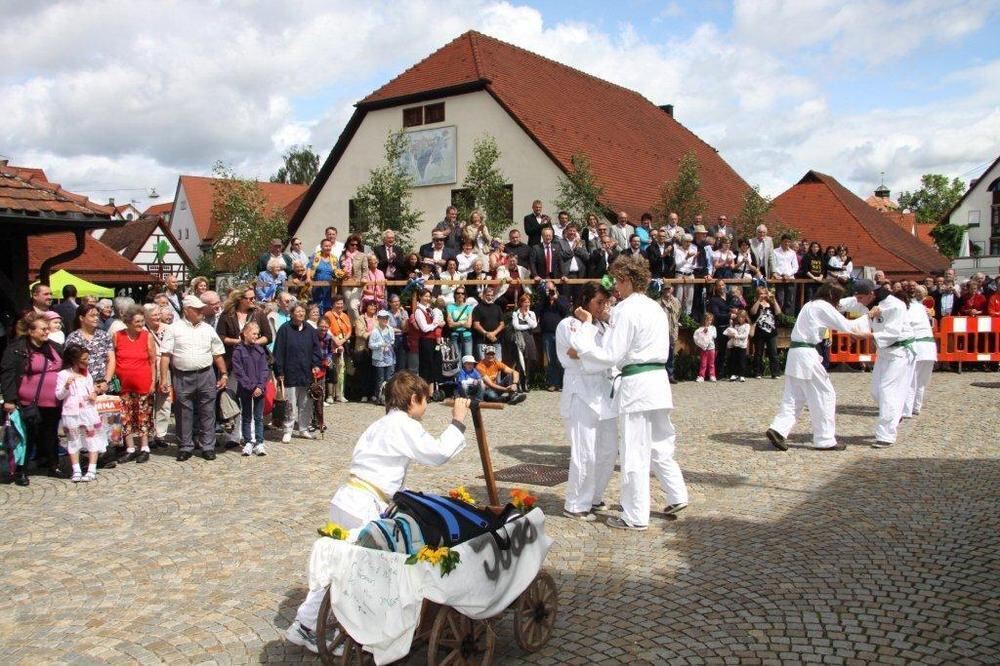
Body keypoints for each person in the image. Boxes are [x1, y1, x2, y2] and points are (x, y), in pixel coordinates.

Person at [285, 376, 471, 653]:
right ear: (412, 400)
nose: (427, 406)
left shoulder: (380, 424)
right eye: (425, 400)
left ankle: (307, 623)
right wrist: (458, 420)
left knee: (339, 565)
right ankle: (328, 625)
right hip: (363, 505)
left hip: (348, 497)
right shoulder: (404, 425)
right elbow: (438, 454)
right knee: (358, 568)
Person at [570, 254, 688, 530]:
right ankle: (677, 493)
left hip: (637, 383)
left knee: (635, 449)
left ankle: (634, 516)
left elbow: (611, 353)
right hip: (659, 381)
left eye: (616, 283)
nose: (614, 290)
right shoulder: (655, 307)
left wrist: (586, 338)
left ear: (625, 280)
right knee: (660, 441)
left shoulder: (626, 309)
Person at [765, 281, 872, 452]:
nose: (837, 302)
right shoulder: (823, 307)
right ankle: (825, 439)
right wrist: (869, 317)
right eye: (836, 298)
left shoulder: (811, 305)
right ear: (831, 296)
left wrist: (856, 300)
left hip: (796, 354)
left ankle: (778, 429)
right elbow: (847, 326)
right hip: (807, 355)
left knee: (794, 397)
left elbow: (840, 306)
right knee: (825, 394)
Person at [557, 281, 617, 520]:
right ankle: (576, 503)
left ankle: (594, 496)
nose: (603, 307)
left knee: (608, 450)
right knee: (584, 452)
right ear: (585, 301)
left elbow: (608, 355)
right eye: (598, 302)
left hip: (604, 392)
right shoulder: (568, 324)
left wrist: (596, 354)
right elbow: (576, 352)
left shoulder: (605, 326)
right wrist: (589, 325)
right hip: (580, 392)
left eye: (606, 302)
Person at [159, 295, 227, 462]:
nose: (201, 312)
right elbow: (165, 355)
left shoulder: (208, 329)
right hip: (182, 375)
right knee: (183, 412)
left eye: (201, 309)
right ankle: (185, 446)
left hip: (206, 374)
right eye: (197, 310)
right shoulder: (173, 329)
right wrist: (163, 379)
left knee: (208, 411)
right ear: (186, 311)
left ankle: (208, 446)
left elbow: (217, 353)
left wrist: (224, 373)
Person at [1, 313, 64, 483]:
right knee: (27, 436)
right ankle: (21, 470)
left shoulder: (54, 347)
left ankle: (53, 466)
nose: (46, 332)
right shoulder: (16, 349)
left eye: (47, 328)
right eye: (43, 329)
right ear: (31, 331)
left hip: (52, 401)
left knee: (50, 434)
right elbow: (7, 374)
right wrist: (9, 399)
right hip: (28, 402)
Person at [867, 282, 916, 449]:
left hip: (900, 351)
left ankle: (886, 435)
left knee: (888, 391)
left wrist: (867, 335)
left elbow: (892, 333)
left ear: (871, 293)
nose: (859, 301)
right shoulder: (873, 304)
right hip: (884, 353)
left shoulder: (896, 305)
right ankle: (896, 415)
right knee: (875, 391)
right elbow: (851, 303)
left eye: (861, 297)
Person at [55, 345, 107, 483]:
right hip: (71, 413)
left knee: (91, 439)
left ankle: (91, 469)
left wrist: (93, 394)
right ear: (74, 360)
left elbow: (91, 391)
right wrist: (66, 386)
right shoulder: (63, 374)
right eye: (84, 359)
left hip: (87, 411)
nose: (87, 361)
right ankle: (76, 469)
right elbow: (59, 396)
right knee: (73, 440)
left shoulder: (87, 374)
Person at [113, 304, 156, 464]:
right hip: (123, 384)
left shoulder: (147, 336)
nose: (140, 324)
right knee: (125, 416)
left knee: (143, 415)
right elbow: (114, 358)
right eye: (137, 321)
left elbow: (152, 361)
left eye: (142, 321)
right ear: (128, 322)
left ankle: (144, 447)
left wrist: (153, 381)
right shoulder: (118, 336)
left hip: (143, 382)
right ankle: (130, 448)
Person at [274, 303, 322, 442]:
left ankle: (303, 428)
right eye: (297, 311)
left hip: (306, 372)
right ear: (292, 313)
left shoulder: (310, 330)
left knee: (306, 402)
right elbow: (278, 351)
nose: (300, 314)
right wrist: (279, 371)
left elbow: (316, 349)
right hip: (290, 372)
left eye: (302, 311)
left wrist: (316, 364)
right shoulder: (284, 329)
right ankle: (288, 429)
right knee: (290, 403)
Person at [65, 303, 116, 405]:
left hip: (104, 386)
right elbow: (70, 364)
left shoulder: (104, 335)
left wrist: (106, 381)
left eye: (97, 315)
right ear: (81, 318)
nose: (96, 318)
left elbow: (111, 359)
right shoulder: (73, 337)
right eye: (92, 316)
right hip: (82, 387)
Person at [232, 321, 270, 456]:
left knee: (258, 417)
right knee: (246, 416)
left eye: (257, 334)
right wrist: (251, 387)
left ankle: (259, 442)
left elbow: (264, 370)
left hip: (259, 389)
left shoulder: (260, 351)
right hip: (246, 389)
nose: (256, 336)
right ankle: (248, 441)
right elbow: (239, 372)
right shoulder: (238, 351)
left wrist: (260, 386)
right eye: (254, 333)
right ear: (245, 333)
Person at [903, 283, 937, 419]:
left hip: (917, 345)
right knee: (922, 381)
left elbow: (908, 325)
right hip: (930, 347)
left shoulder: (909, 308)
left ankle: (907, 409)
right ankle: (916, 406)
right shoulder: (924, 308)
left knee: (912, 379)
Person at [144, 304, 173, 449]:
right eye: (153, 315)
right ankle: (149, 434)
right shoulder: (142, 330)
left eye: (157, 314)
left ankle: (160, 434)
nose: (156, 317)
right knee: (148, 401)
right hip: (148, 367)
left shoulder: (167, 328)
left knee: (164, 401)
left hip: (165, 367)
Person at [536, 285, 569, 391]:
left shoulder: (562, 299)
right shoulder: (544, 301)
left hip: (560, 334)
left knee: (561, 359)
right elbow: (537, 311)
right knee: (551, 359)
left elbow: (565, 311)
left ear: (556, 289)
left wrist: (556, 298)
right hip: (547, 333)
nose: (549, 292)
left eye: (551, 289)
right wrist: (543, 297)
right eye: (548, 290)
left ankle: (563, 383)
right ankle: (553, 383)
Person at [412, 289, 444, 391]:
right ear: (420, 297)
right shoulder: (418, 311)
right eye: (425, 296)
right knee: (425, 367)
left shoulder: (429, 309)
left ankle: (431, 393)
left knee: (432, 366)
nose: (427, 298)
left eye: (429, 296)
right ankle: (424, 392)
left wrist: (440, 323)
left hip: (433, 340)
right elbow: (424, 328)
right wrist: (435, 324)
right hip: (425, 341)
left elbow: (438, 321)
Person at [323, 295, 351, 403]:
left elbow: (349, 330)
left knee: (341, 370)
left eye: (341, 303)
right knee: (331, 369)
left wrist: (342, 341)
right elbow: (327, 329)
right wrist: (336, 341)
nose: (340, 306)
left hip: (342, 344)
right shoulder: (328, 315)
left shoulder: (345, 316)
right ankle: (330, 395)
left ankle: (340, 394)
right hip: (331, 344)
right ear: (333, 304)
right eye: (337, 303)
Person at [750, 286, 782, 379]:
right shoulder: (755, 303)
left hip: (771, 332)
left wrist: (774, 299)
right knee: (758, 353)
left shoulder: (771, 303)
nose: (763, 295)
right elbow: (752, 312)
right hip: (759, 332)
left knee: (773, 353)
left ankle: (775, 373)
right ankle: (758, 372)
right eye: (761, 293)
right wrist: (758, 301)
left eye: (764, 293)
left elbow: (778, 313)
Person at [510, 293, 538, 392]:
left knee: (530, 359)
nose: (527, 304)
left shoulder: (532, 314)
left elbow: (534, 325)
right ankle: (519, 384)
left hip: (529, 338)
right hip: (519, 338)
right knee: (520, 361)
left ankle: (527, 382)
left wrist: (526, 317)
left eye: (528, 302)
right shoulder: (515, 313)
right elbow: (516, 326)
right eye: (525, 302)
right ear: (521, 303)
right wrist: (528, 326)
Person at [352, 299, 379, 402]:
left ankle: (372, 393)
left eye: (374, 306)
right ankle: (363, 394)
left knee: (373, 371)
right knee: (363, 372)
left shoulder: (377, 318)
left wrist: (371, 333)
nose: (373, 308)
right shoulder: (360, 318)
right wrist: (373, 334)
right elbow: (359, 332)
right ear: (366, 307)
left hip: (375, 348)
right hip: (362, 348)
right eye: (371, 306)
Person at [369, 310, 396, 403]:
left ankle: (388, 396)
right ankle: (379, 397)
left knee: (389, 378)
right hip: (379, 357)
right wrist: (380, 345)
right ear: (378, 319)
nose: (385, 320)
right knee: (380, 378)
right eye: (382, 318)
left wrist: (388, 346)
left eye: (386, 318)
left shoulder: (391, 329)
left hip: (389, 357)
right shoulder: (375, 331)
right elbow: (370, 345)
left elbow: (392, 341)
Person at [471, 287, 505, 361]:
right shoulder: (477, 308)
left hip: (496, 340)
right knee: (484, 365)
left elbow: (502, 324)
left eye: (491, 295)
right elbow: (476, 325)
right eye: (488, 295)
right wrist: (487, 334)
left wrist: (494, 333)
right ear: (483, 295)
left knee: (497, 364)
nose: (490, 297)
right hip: (482, 341)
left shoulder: (498, 308)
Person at [308, 239, 338, 314]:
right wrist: (308, 278)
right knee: (316, 308)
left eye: (329, 246)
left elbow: (338, 272)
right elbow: (309, 267)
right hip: (317, 288)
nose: (328, 248)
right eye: (326, 246)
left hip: (329, 289)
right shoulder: (315, 256)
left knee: (328, 309)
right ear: (321, 247)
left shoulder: (334, 258)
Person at [772, 234, 799, 315]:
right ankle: (779, 319)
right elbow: (773, 265)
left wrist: (788, 274)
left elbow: (795, 267)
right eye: (785, 241)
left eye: (789, 242)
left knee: (789, 300)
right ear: (781, 241)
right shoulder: (775, 251)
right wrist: (782, 274)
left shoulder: (792, 253)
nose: (787, 243)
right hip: (780, 279)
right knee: (780, 299)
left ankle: (786, 320)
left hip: (790, 278)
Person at [659, 285, 681, 383]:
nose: (667, 291)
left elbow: (679, 313)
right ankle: (661, 375)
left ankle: (670, 375)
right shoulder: (658, 302)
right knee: (661, 352)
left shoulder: (676, 301)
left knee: (671, 353)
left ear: (672, 290)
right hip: (662, 330)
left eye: (669, 289)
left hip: (672, 330)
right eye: (665, 289)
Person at [446, 287, 474, 358]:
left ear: (465, 295)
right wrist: (462, 323)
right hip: (454, 336)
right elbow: (450, 324)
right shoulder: (450, 307)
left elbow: (468, 325)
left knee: (468, 358)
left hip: (467, 335)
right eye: (458, 293)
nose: (460, 295)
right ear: (455, 295)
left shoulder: (469, 307)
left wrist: (456, 323)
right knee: (456, 359)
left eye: (462, 293)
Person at [724, 310, 751, 382]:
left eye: (742, 317)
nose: (740, 319)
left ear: (745, 318)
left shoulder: (747, 326)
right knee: (734, 360)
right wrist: (731, 333)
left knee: (742, 361)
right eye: (739, 317)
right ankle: (734, 374)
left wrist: (737, 336)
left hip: (742, 346)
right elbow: (732, 332)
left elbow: (745, 335)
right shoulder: (736, 325)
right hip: (735, 345)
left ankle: (742, 375)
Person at [694, 313, 717, 382]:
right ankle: (701, 376)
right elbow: (697, 337)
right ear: (704, 320)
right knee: (703, 363)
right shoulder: (700, 329)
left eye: (710, 320)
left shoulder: (713, 328)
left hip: (711, 348)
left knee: (711, 363)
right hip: (704, 348)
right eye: (707, 320)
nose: (709, 322)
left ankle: (712, 375)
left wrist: (708, 331)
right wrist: (703, 332)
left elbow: (714, 336)